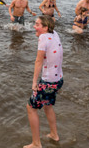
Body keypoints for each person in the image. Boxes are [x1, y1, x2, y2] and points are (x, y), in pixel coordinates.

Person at [24, 15, 63, 148]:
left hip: (48, 82)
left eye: (37, 24)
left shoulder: (43, 37)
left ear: (45, 27)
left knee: (31, 108)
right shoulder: (55, 33)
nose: (34, 27)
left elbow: (39, 61)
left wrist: (34, 82)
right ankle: (54, 135)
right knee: (47, 105)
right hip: (58, 80)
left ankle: (36, 143)